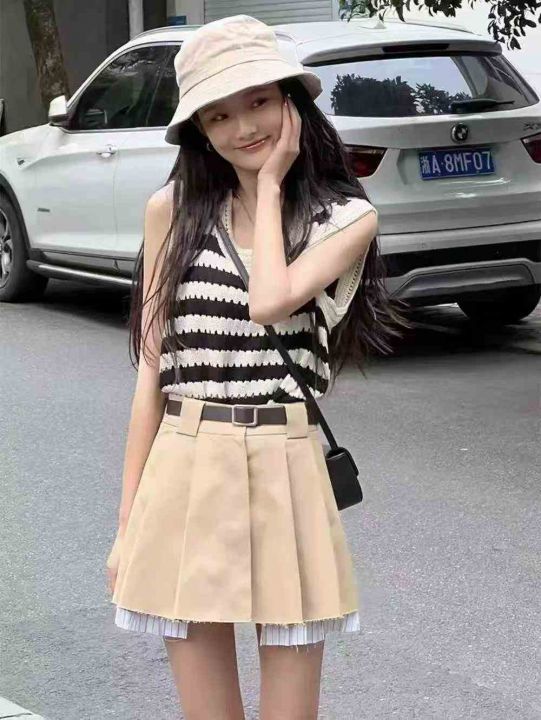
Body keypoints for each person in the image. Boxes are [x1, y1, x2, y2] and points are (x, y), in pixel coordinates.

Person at [105, 14, 409, 720]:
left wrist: (270, 187)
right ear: (198, 131)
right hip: (184, 458)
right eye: (218, 115)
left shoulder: (343, 219)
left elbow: (270, 300)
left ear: (291, 103)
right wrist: (126, 523)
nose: (243, 127)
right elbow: (151, 373)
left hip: (285, 458)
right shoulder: (171, 211)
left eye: (259, 101)